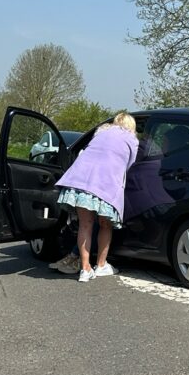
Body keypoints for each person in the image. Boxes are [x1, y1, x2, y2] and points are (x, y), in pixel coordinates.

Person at [51, 112, 138, 282]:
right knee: (105, 225)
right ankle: (101, 265)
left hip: (80, 180)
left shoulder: (101, 132)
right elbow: (129, 165)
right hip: (105, 185)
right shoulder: (131, 140)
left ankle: (85, 269)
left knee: (85, 225)